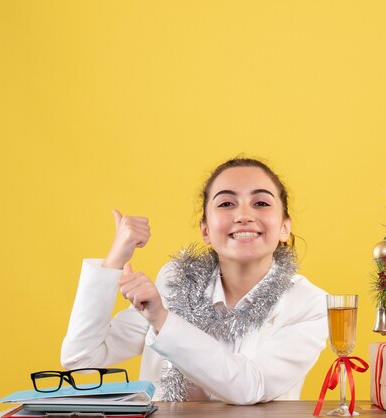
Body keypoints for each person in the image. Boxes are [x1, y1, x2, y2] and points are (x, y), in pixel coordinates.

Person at [61, 157, 328, 405]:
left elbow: (251, 386)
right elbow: (83, 358)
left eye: (261, 203)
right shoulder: (174, 281)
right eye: (226, 203)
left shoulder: (309, 304)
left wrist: (162, 319)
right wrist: (114, 262)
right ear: (205, 230)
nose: (243, 215)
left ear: (284, 227)